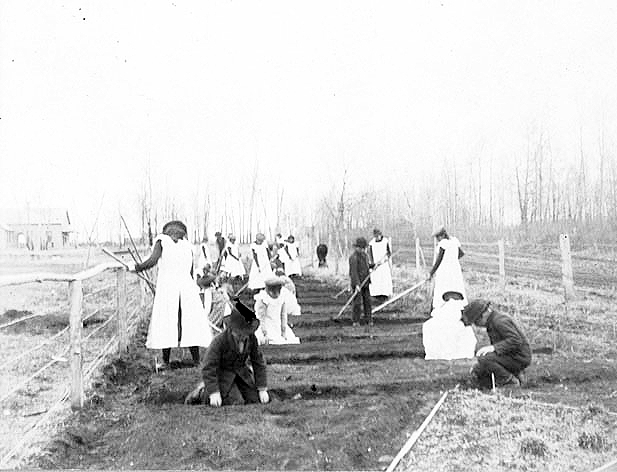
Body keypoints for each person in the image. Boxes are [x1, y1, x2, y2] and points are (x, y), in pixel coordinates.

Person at [131, 220, 212, 369]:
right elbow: (190, 271)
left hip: (168, 288)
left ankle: (166, 361)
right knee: (189, 321)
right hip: (187, 287)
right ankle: (196, 360)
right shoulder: (188, 246)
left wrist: (137, 267)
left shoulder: (162, 241)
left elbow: (152, 261)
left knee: (166, 321)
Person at [184, 300, 269, 407]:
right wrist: (214, 392)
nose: (243, 336)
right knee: (236, 402)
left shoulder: (251, 338)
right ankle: (201, 392)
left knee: (254, 400)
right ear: (231, 328)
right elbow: (208, 368)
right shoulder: (219, 341)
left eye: (246, 332)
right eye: (239, 333)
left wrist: (262, 388)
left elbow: (259, 362)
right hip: (222, 377)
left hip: (242, 375)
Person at [461, 299, 532, 388]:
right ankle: (516, 374)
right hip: (512, 355)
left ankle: (509, 381)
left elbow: (516, 340)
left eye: (476, 321)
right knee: (480, 369)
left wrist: (493, 348)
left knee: (485, 359)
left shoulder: (499, 321)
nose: (476, 325)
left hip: (519, 357)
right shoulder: (493, 321)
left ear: (483, 315)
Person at [422, 291, 477, 360]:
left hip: (445, 360)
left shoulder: (428, 324)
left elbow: (470, 345)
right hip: (450, 361)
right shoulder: (429, 325)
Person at [428, 226, 466, 310]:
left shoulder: (443, 243)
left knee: (443, 288)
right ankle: (456, 308)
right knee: (454, 286)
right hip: (455, 269)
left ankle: (440, 308)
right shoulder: (454, 241)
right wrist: (452, 259)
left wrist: (431, 273)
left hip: (445, 270)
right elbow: (461, 254)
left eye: (438, 237)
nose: (437, 239)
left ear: (442, 235)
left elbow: (439, 260)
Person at [254, 276, 300, 344]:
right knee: (270, 339)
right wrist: (264, 332)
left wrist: (283, 330)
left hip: (278, 324)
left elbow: (283, 315)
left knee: (287, 339)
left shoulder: (282, 297)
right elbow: (261, 317)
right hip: (267, 325)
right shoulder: (264, 298)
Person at [349, 237, 373, 327]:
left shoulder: (365, 256)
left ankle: (369, 320)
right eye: (361, 248)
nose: (363, 250)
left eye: (364, 248)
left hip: (365, 282)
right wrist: (357, 285)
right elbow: (353, 272)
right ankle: (356, 321)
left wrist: (373, 265)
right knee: (357, 303)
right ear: (357, 247)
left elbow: (367, 266)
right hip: (358, 283)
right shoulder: (353, 258)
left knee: (367, 301)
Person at [368, 229, 393, 303]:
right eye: (375, 236)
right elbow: (370, 255)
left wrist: (383, 261)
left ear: (380, 235)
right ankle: (376, 295)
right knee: (376, 279)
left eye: (378, 236)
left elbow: (388, 254)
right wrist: (373, 264)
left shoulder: (385, 241)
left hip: (384, 264)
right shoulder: (371, 243)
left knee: (384, 279)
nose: (377, 237)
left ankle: (385, 295)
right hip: (375, 265)